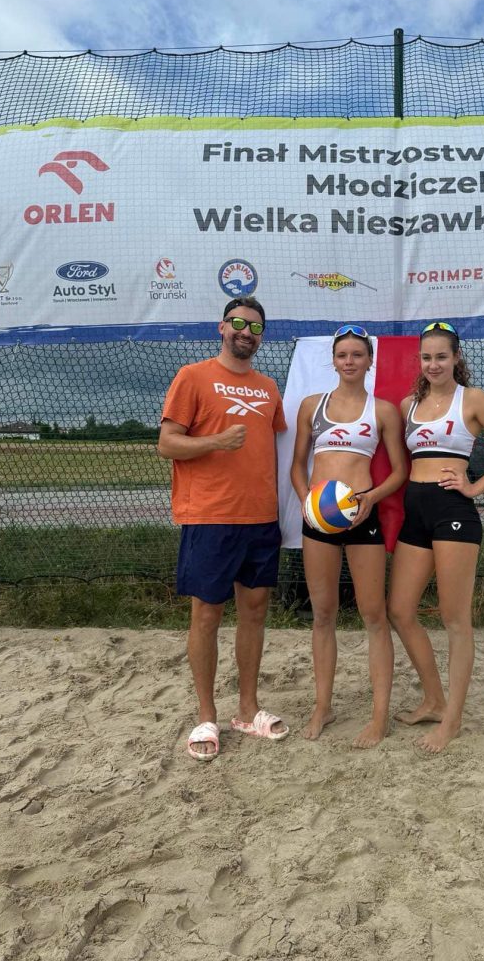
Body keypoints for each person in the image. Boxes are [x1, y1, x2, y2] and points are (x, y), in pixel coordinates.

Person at [387, 321, 484, 753]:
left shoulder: (473, 399)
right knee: (400, 610)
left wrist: (475, 487)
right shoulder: (408, 405)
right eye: (426, 357)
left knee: (454, 618)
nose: (433, 364)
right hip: (415, 511)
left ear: (456, 358)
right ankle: (434, 700)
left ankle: (452, 720)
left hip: (453, 513)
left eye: (441, 357)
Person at [159, 296, 289, 761]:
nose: (245, 331)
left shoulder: (269, 387)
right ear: (221, 327)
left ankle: (247, 709)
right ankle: (206, 715)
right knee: (207, 615)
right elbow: (167, 443)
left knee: (254, 612)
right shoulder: (192, 376)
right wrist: (215, 441)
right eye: (237, 323)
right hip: (210, 516)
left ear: (261, 336)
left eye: (255, 326)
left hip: (260, 517)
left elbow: (278, 443)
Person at [290, 324, 407, 748]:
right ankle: (323, 706)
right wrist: (307, 501)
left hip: (361, 518)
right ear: (334, 360)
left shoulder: (383, 411)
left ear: (369, 361)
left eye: (358, 354)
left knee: (373, 615)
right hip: (318, 522)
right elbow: (297, 465)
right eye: (343, 355)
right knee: (323, 614)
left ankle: (378, 716)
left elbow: (400, 472)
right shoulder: (311, 406)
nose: (350, 361)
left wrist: (372, 498)